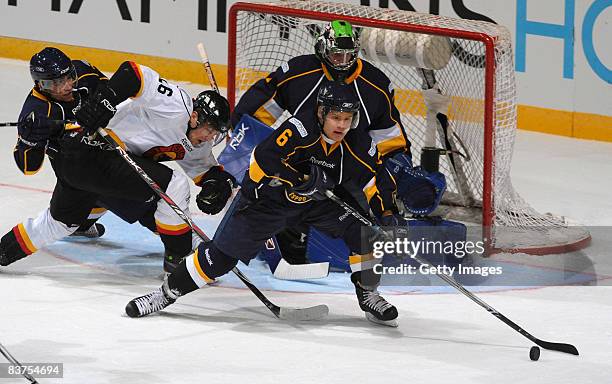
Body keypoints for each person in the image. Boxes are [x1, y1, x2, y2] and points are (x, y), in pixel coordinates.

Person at [126, 82, 403, 327]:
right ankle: (165, 294)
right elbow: (261, 162)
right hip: (267, 202)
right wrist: (299, 179)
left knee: (363, 230)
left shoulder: (359, 144)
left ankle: (368, 294)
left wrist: (387, 212)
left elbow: (375, 180)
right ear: (321, 113)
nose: (341, 125)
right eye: (335, 117)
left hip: (317, 203)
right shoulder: (299, 129)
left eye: (347, 118)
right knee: (220, 258)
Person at [0, 48, 235, 274]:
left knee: (58, 223)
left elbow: (206, 170)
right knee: (171, 187)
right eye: (210, 130)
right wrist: (31, 140)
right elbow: (133, 73)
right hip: (93, 157)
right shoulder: (176, 105)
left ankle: (3, 252)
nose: (210, 137)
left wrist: (217, 184)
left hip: (87, 163)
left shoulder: (198, 140)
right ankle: (178, 259)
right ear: (195, 117)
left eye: (215, 133)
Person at [231, 20, 443, 265]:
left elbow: (391, 144)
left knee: (401, 195)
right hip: (301, 161)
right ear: (322, 49)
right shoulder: (299, 73)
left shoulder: (375, 86)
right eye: (336, 55)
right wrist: (248, 153)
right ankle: (279, 240)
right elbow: (255, 115)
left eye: (348, 56)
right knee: (279, 187)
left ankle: (355, 249)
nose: (342, 62)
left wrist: (387, 197)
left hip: (349, 163)